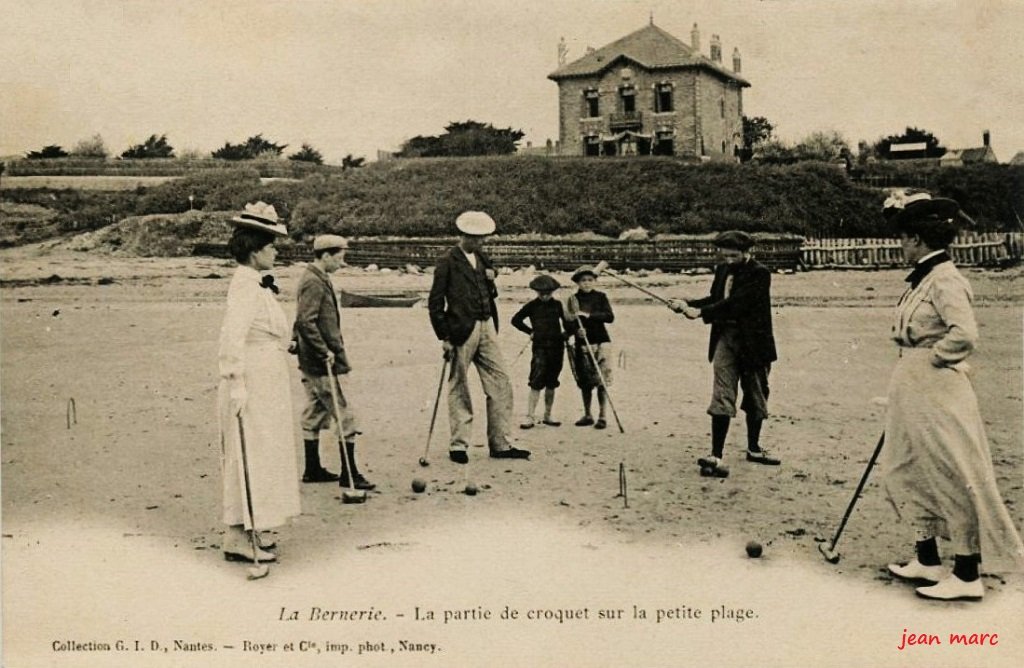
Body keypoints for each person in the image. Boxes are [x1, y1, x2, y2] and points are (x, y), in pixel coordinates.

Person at [879, 191, 1024, 601]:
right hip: (912, 381)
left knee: (950, 471)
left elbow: (965, 334)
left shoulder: (945, 280)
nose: (901, 245)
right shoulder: (926, 278)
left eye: (904, 238)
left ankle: (966, 573)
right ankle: (927, 557)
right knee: (903, 467)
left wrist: (934, 361)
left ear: (918, 241)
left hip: (936, 384)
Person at [217, 202, 301, 564]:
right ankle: (236, 536)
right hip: (251, 377)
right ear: (254, 253)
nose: (277, 252)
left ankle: (252, 529)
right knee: (248, 450)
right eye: (271, 247)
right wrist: (235, 382)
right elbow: (231, 337)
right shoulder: (245, 285)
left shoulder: (257, 282)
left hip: (268, 375)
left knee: (265, 452)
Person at [669, 230, 780, 472]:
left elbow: (737, 304)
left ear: (747, 252)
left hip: (753, 344)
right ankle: (715, 455)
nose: (728, 260)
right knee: (722, 393)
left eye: (733, 255)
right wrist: (687, 304)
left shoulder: (760, 274)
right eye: (725, 255)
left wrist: (701, 313)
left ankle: (754, 448)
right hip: (725, 339)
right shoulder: (722, 270)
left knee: (755, 396)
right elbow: (715, 298)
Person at [427, 211, 530, 463]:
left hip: (486, 326)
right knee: (459, 387)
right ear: (464, 236)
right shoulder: (447, 261)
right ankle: (459, 446)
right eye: (476, 238)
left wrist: (492, 281)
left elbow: (489, 291)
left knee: (501, 382)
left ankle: (501, 444)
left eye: (483, 238)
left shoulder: (483, 257)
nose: (481, 242)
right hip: (461, 330)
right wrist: (445, 336)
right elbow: (435, 302)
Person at [293, 234, 375, 490]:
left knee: (316, 412)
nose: (343, 262)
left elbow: (301, 320)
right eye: (340, 256)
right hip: (323, 362)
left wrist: (296, 341)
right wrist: (323, 350)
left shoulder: (315, 277)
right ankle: (349, 475)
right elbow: (306, 320)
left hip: (312, 360)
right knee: (346, 414)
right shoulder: (314, 281)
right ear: (326, 255)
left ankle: (313, 468)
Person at [511, 274, 572, 429]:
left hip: (557, 347)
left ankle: (548, 415)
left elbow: (569, 324)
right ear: (536, 291)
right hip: (539, 347)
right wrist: (530, 331)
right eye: (541, 292)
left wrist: (566, 334)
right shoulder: (532, 306)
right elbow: (516, 320)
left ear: (553, 291)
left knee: (552, 382)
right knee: (536, 381)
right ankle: (530, 416)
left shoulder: (558, 305)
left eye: (548, 292)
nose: (545, 295)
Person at [568, 266, 615, 430]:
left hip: (602, 341)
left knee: (602, 379)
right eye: (583, 280)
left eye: (590, 280)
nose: (587, 283)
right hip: (583, 344)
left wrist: (590, 316)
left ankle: (602, 416)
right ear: (577, 283)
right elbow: (569, 323)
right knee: (586, 381)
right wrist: (576, 331)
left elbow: (609, 317)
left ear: (594, 281)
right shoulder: (573, 300)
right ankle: (588, 414)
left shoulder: (601, 297)